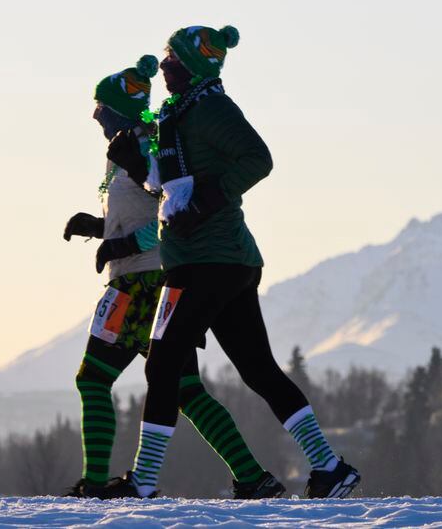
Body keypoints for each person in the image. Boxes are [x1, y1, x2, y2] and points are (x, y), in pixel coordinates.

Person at [104, 27, 361, 499]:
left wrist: (205, 202)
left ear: (193, 65)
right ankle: (330, 467)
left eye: (172, 59)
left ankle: (142, 483)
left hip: (206, 261)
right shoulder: (178, 115)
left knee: (162, 366)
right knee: (258, 370)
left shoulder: (210, 108)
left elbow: (257, 159)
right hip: (223, 261)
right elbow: (169, 188)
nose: (164, 67)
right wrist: (138, 167)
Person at [62, 54, 284, 499]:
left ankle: (95, 482)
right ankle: (253, 477)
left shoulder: (142, 149)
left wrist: (123, 246)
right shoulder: (122, 155)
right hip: (153, 282)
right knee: (184, 389)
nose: (94, 116)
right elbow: (136, 217)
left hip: (140, 286)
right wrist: (98, 228)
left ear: (118, 112)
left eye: (100, 108)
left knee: (93, 379)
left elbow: (166, 213)